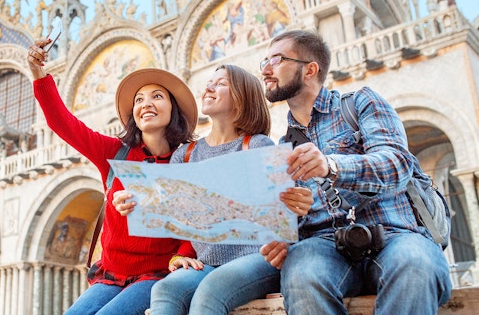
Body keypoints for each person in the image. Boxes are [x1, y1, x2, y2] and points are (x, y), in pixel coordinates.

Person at [260, 30, 451, 314]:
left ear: (310, 69)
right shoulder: (283, 147)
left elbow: (397, 163)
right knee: (303, 276)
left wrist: (332, 166)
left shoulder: (360, 102)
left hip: (394, 233)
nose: (265, 69)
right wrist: (281, 236)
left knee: (416, 264)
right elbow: (291, 217)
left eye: (276, 59)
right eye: (264, 61)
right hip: (323, 245)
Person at [114, 64, 313, 315]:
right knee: (165, 289)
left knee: (210, 291)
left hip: (258, 259)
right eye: (209, 82)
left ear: (242, 97)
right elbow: (172, 210)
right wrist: (134, 200)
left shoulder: (257, 145)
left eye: (220, 83)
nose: (208, 87)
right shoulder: (186, 155)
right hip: (206, 262)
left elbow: (282, 211)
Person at [27, 38, 198, 315]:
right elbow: (62, 123)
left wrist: (184, 256)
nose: (146, 104)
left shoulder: (189, 160)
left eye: (157, 96)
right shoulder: (115, 153)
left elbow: (196, 219)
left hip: (156, 274)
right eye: (139, 99)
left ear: (172, 108)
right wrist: (39, 74)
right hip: (111, 274)